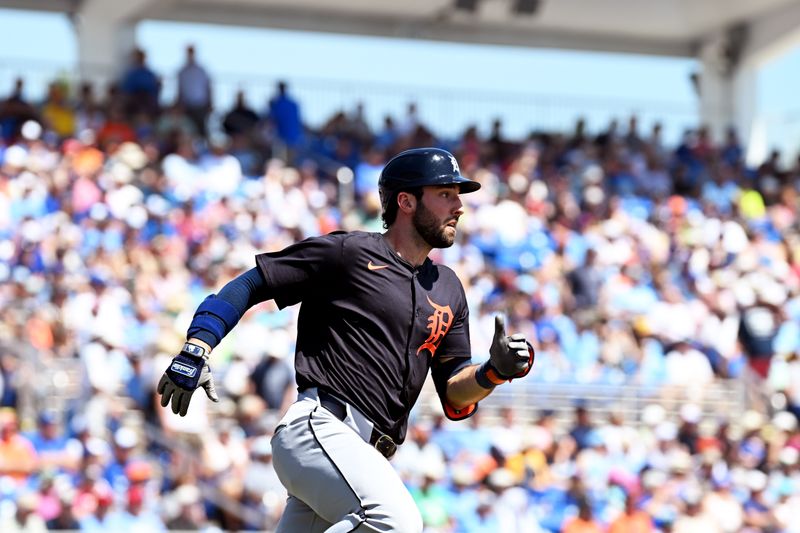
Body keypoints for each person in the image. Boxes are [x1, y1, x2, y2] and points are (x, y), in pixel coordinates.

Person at [156, 147, 535, 532]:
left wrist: (492, 373)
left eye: (458, 195)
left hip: (363, 458)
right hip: (320, 428)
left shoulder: (448, 287)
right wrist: (197, 345)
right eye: (445, 194)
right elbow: (254, 282)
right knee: (398, 525)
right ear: (406, 201)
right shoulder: (349, 253)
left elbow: (454, 392)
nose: (458, 206)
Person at [176, 44, 213, 138]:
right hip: (186, 105)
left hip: (200, 105)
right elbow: (179, 89)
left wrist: (210, 103)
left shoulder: (201, 70)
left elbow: (208, 87)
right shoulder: (182, 71)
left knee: (201, 130)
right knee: (188, 129)